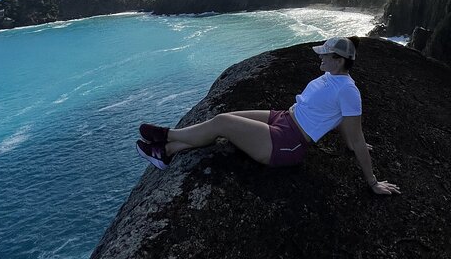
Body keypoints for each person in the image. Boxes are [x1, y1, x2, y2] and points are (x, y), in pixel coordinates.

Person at [136, 37, 401, 195]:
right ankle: (168, 150)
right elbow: (341, 121)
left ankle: (166, 136)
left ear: (339, 60)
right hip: (283, 118)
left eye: (325, 54)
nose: (319, 56)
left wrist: (373, 181)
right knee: (226, 118)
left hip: (290, 141)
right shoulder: (331, 76)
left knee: (222, 124)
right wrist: (350, 144)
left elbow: (354, 130)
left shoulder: (348, 90)